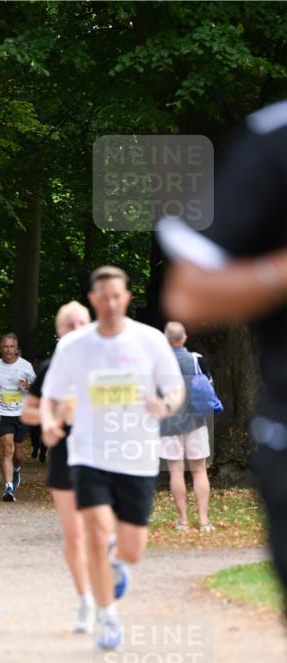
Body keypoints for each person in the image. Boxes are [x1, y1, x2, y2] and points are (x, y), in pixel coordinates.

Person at [159, 99, 287, 599]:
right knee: (183, 469)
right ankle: (192, 522)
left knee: (190, 469)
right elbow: (189, 290)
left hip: (193, 424)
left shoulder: (196, 360)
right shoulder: (275, 137)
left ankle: (199, 521)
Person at [41, 267, 185, 650]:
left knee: (132, 548)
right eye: (102, 296)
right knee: (95, 531)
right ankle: (108, 617)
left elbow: (176, 388)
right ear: (93, 300)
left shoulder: (150, 340)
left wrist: (166, 403)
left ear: (127, 297)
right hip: (88, 454)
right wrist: (49, 423)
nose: (109, 303)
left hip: (137, 455)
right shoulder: (74, 346)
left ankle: (119, 562)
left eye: (116, 295)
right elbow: (51, 395)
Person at [22, 301, 95, 634]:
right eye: (70, 324)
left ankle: (109, 577)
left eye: (82, 322)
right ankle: (85, 601)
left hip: (106, 453)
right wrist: (54, 418)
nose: (77, 329)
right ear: (59, 332)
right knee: (75, 536)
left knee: (104, 530)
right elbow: (28, 414)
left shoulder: (109, 361)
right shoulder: (53, 367)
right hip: (68, 455)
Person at [159, 321, 214, 533]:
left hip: (169, 423)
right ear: (184, 338)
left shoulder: (159, 364)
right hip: (196, 421)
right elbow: (209, 387)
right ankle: (203, 521)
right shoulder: (197, 359)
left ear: (166, 339)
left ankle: (182, 522)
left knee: (176, 472)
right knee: (200, 470)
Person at [0, 334, 36, 501]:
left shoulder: (26, 366)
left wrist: (27, 386)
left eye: (11, 347)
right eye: (5, 346)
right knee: (8, 449)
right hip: (2, 413)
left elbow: (36, 388)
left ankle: (16, 470)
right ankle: (8, 488)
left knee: (18, 455)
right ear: (1, 348)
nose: (8, 350)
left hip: (20, 413)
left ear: (16, 349)